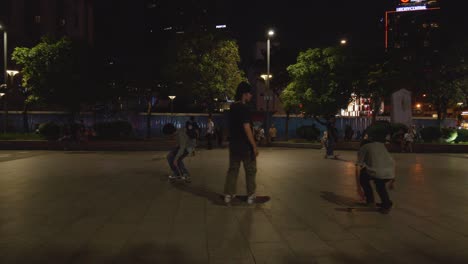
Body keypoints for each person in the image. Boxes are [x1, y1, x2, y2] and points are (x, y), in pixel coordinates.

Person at [224, 82, 259, 205]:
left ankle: (228, 195)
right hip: (245, 146)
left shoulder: (232, 107)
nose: (251, 96)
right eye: (250, 94)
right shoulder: (244, 108)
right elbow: (247, 127)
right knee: (250, 170)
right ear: (244, 94)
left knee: (233, 170)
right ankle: (251, 196)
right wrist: (254, 146)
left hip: (234, 145)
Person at [355, 137, 396, 214]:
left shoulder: (363, 148)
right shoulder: (381, 145)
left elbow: (357, 167)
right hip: (390, 172)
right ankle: (385, 202)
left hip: (378, 172)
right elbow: (392, 161)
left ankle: (383, 204)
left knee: (364, 176)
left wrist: (358, 188)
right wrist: (393, 180)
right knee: (380, 184)